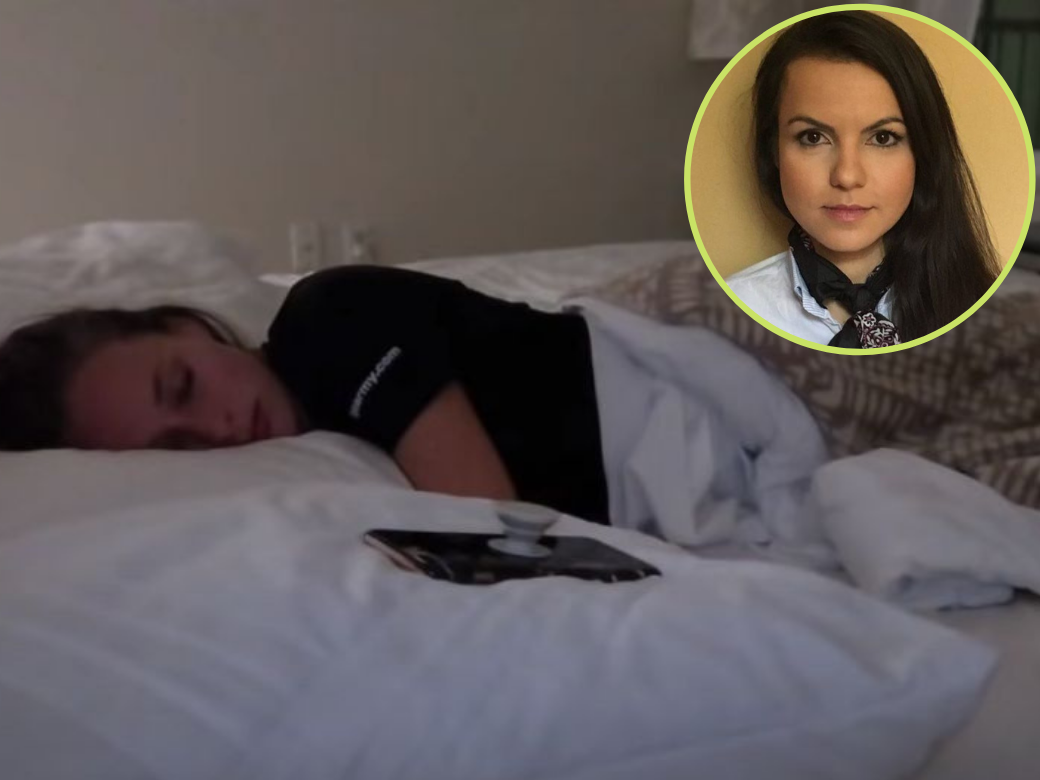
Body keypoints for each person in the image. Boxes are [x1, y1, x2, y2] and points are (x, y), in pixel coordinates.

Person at [0, 264, 826, 548]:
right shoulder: (316, 457)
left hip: (703, 367)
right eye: (177, 450)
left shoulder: (322, 323)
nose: (215, 428)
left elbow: (489, 525)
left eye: (182, 385)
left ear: (185, 327)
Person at [725, 10, 998, 348]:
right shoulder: (727, 315)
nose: (847, 176)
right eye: (813, 137)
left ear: (923, 153)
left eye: (883, 138)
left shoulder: (988, 311)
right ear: (774, 151)